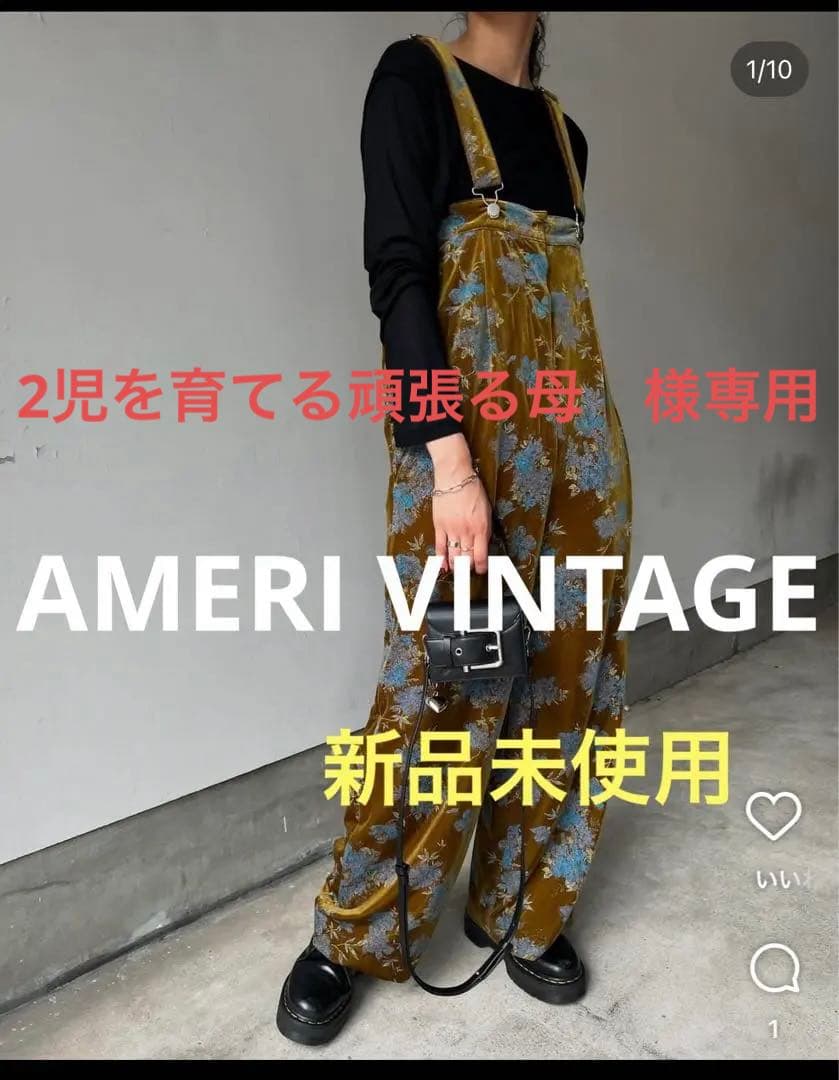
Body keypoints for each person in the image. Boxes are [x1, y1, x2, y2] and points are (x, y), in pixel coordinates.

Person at [276, 11, 632, 1046]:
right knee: (436, 691)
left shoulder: (565, 139)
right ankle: (355, 932)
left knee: (569, 684)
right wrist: (447, 462)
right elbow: (398, 276)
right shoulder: (414, 81)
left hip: (580, 457)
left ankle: (521, 910)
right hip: (462, 454)